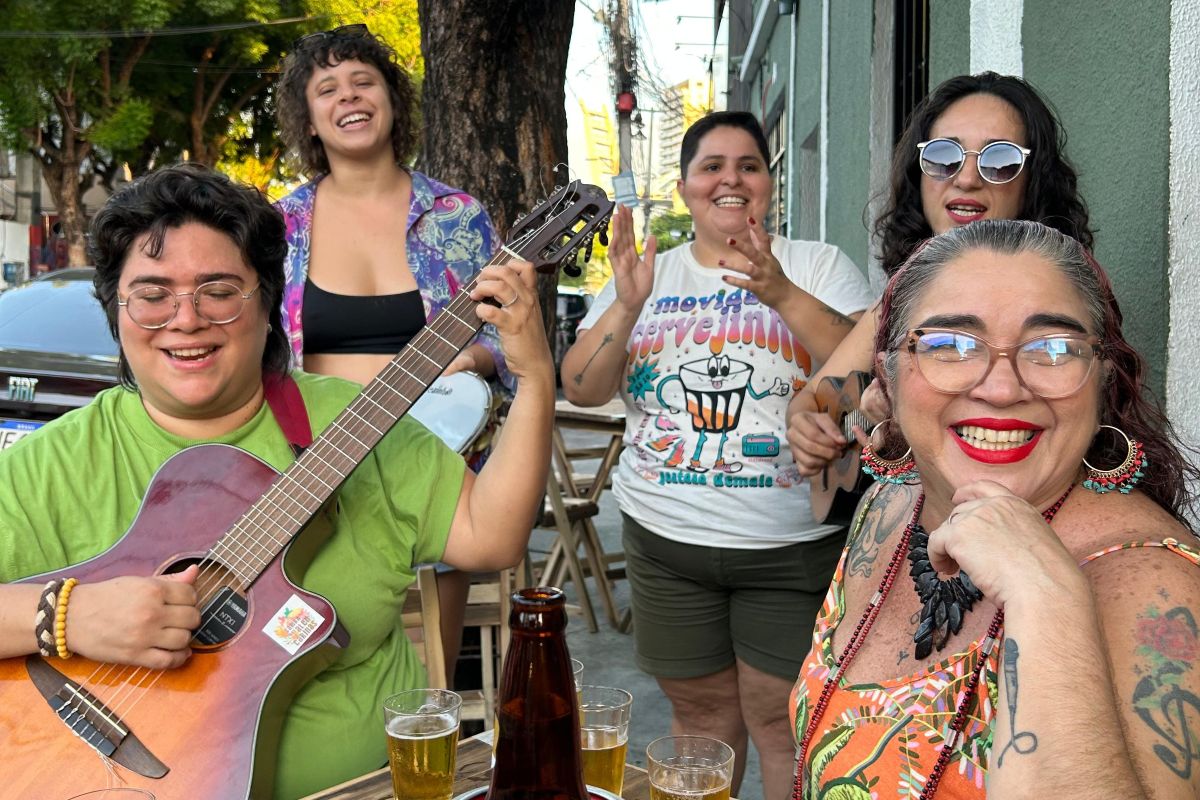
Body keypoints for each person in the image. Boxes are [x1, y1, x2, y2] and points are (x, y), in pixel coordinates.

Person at [0, 164, 554, 799]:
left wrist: (536, 377)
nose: (186, 319)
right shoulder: (53, 465)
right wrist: (66, 615)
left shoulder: (357, 422)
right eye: (152, 295)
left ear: (267, 304)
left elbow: (492, 536)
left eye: (219, 290)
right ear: (116, 313)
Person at [790, 219, 1200, 799]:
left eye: (1053, 349)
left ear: (1103, 379)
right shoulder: (890, 504)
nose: (1003, 389)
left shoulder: (1159, 588)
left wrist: (1046, 596)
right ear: (889, 374)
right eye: (950, 346)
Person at [563, 111, 874, 800]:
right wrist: (627, 305)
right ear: (684, 188)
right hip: (667, 543)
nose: (730, 179)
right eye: (712, 166)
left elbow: (869, 370)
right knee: (701, 720)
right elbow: (582, 387)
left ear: (768, 182)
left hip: (790, 547)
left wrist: (780, 292)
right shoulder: (648, 274)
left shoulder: (817, 265)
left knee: (783, 724)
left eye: (748, 165)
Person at [274, 24, 507, 678]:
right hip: (316, 474)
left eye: (363, 81)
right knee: (322, 665)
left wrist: (477, 359)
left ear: (393, 100)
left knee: (429, 678)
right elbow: (257, 354)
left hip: (436, 464)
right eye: (327, 88)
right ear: (309, 119)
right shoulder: (279, 226)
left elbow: (506, 337)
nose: (348, 96)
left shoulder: (459, 215)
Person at [787, 72, 1094, 476]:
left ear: (1032, 180)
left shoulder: (1064, 298)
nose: (966, 179)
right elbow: (811, 400)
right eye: (944, 157)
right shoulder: (901, 297)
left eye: (999, 161)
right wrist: (805, 427)